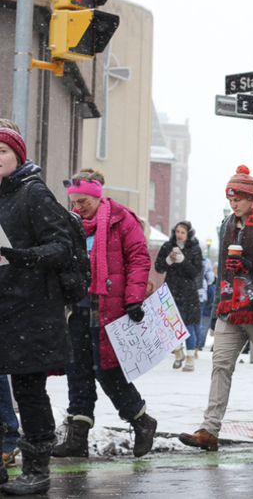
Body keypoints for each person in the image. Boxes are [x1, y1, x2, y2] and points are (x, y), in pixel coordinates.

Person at [52, 167, 156, 462]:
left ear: (98, 197)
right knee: (78, 371)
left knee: (108, 371)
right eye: (75, 202)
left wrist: (134, 298)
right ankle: (77, 437)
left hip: (108, 310)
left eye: (84, 202)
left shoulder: (121, 219)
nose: (78, 208)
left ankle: (141, 421)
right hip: (78, 308)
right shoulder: (70, 224)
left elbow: (138, 258)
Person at [179, 166, 253, 452]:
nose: (233, 204)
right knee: (220, 366)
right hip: (229, 306)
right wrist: (219, 305)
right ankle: (209, 430)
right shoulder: (226, 225)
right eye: (230, 198)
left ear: (251, 198)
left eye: (237, 198)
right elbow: (222, 266)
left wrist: (251, 265)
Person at [0, 127, 72, 494]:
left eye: (1, 151)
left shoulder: (33, 192)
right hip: (4, 306)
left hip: (33, 309)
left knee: (29, 392)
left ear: (18, 156)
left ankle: (37, 468)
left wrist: (21, 257)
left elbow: (61, 247)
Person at [155, 221, 204, 371]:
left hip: (189, 292)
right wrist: (168, 260)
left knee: (188, 325)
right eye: (177, 232)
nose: (179, 235)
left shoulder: (195, 248)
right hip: (171, 290)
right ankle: (178, 352)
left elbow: (196, 272)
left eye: (183, 232)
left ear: (188, 234)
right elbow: (158, 267)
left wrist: (183, 261)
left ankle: (190, 358)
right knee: (171, 324)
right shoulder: (167, 246)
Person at [196, 256, 216, 354]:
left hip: (185, 294)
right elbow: (211, 279)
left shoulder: (184, 257)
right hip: (201, 295)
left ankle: (185, 345)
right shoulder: (205, 260)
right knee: (198, 322)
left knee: (187, 322)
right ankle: (197, 346)